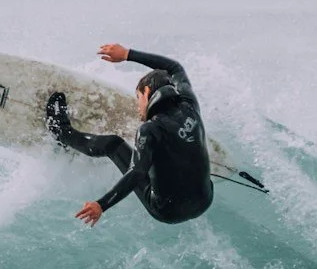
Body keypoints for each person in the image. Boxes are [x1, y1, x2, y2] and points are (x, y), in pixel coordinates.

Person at [48, 44, 214, 227]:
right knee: (169, 151)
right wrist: (127, 54)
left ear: (147, 93)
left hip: (166, 210)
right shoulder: (189, 104)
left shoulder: (150, 129)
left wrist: (101, 205)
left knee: (114, 144)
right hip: (204, 201)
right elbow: (175, 68)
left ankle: (62, 132)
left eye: (138, 98)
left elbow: (137, 172)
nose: (138, 107)